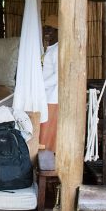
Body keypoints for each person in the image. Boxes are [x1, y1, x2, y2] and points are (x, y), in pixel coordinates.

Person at [40, 14, 58, 152]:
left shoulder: (57, 50)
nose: (46, 32)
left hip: (53, 97)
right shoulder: (50, 49)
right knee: (44, 131)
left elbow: (58, 76)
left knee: (48, 133)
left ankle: (49, 164)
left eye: (50, 29)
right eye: (45, 28)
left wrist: (39, 86)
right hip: (46, 96)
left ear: (58, 32)